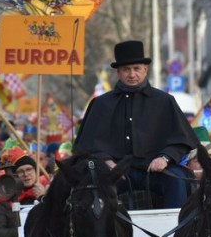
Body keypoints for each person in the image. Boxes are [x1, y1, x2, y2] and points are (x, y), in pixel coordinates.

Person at [75, 40, 198, 208]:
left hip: (155, 172)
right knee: (91, 187)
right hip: (114, 174)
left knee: (177, 181)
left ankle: (177, 231)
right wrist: (107, 162)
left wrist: (165, 157)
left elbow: (182, 139)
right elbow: (87, 145)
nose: (132, 74)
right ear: (118, 72)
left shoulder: (164, 101)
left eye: (136, 68)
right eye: (126, 69)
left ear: (145, 69)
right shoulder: (101, 104)